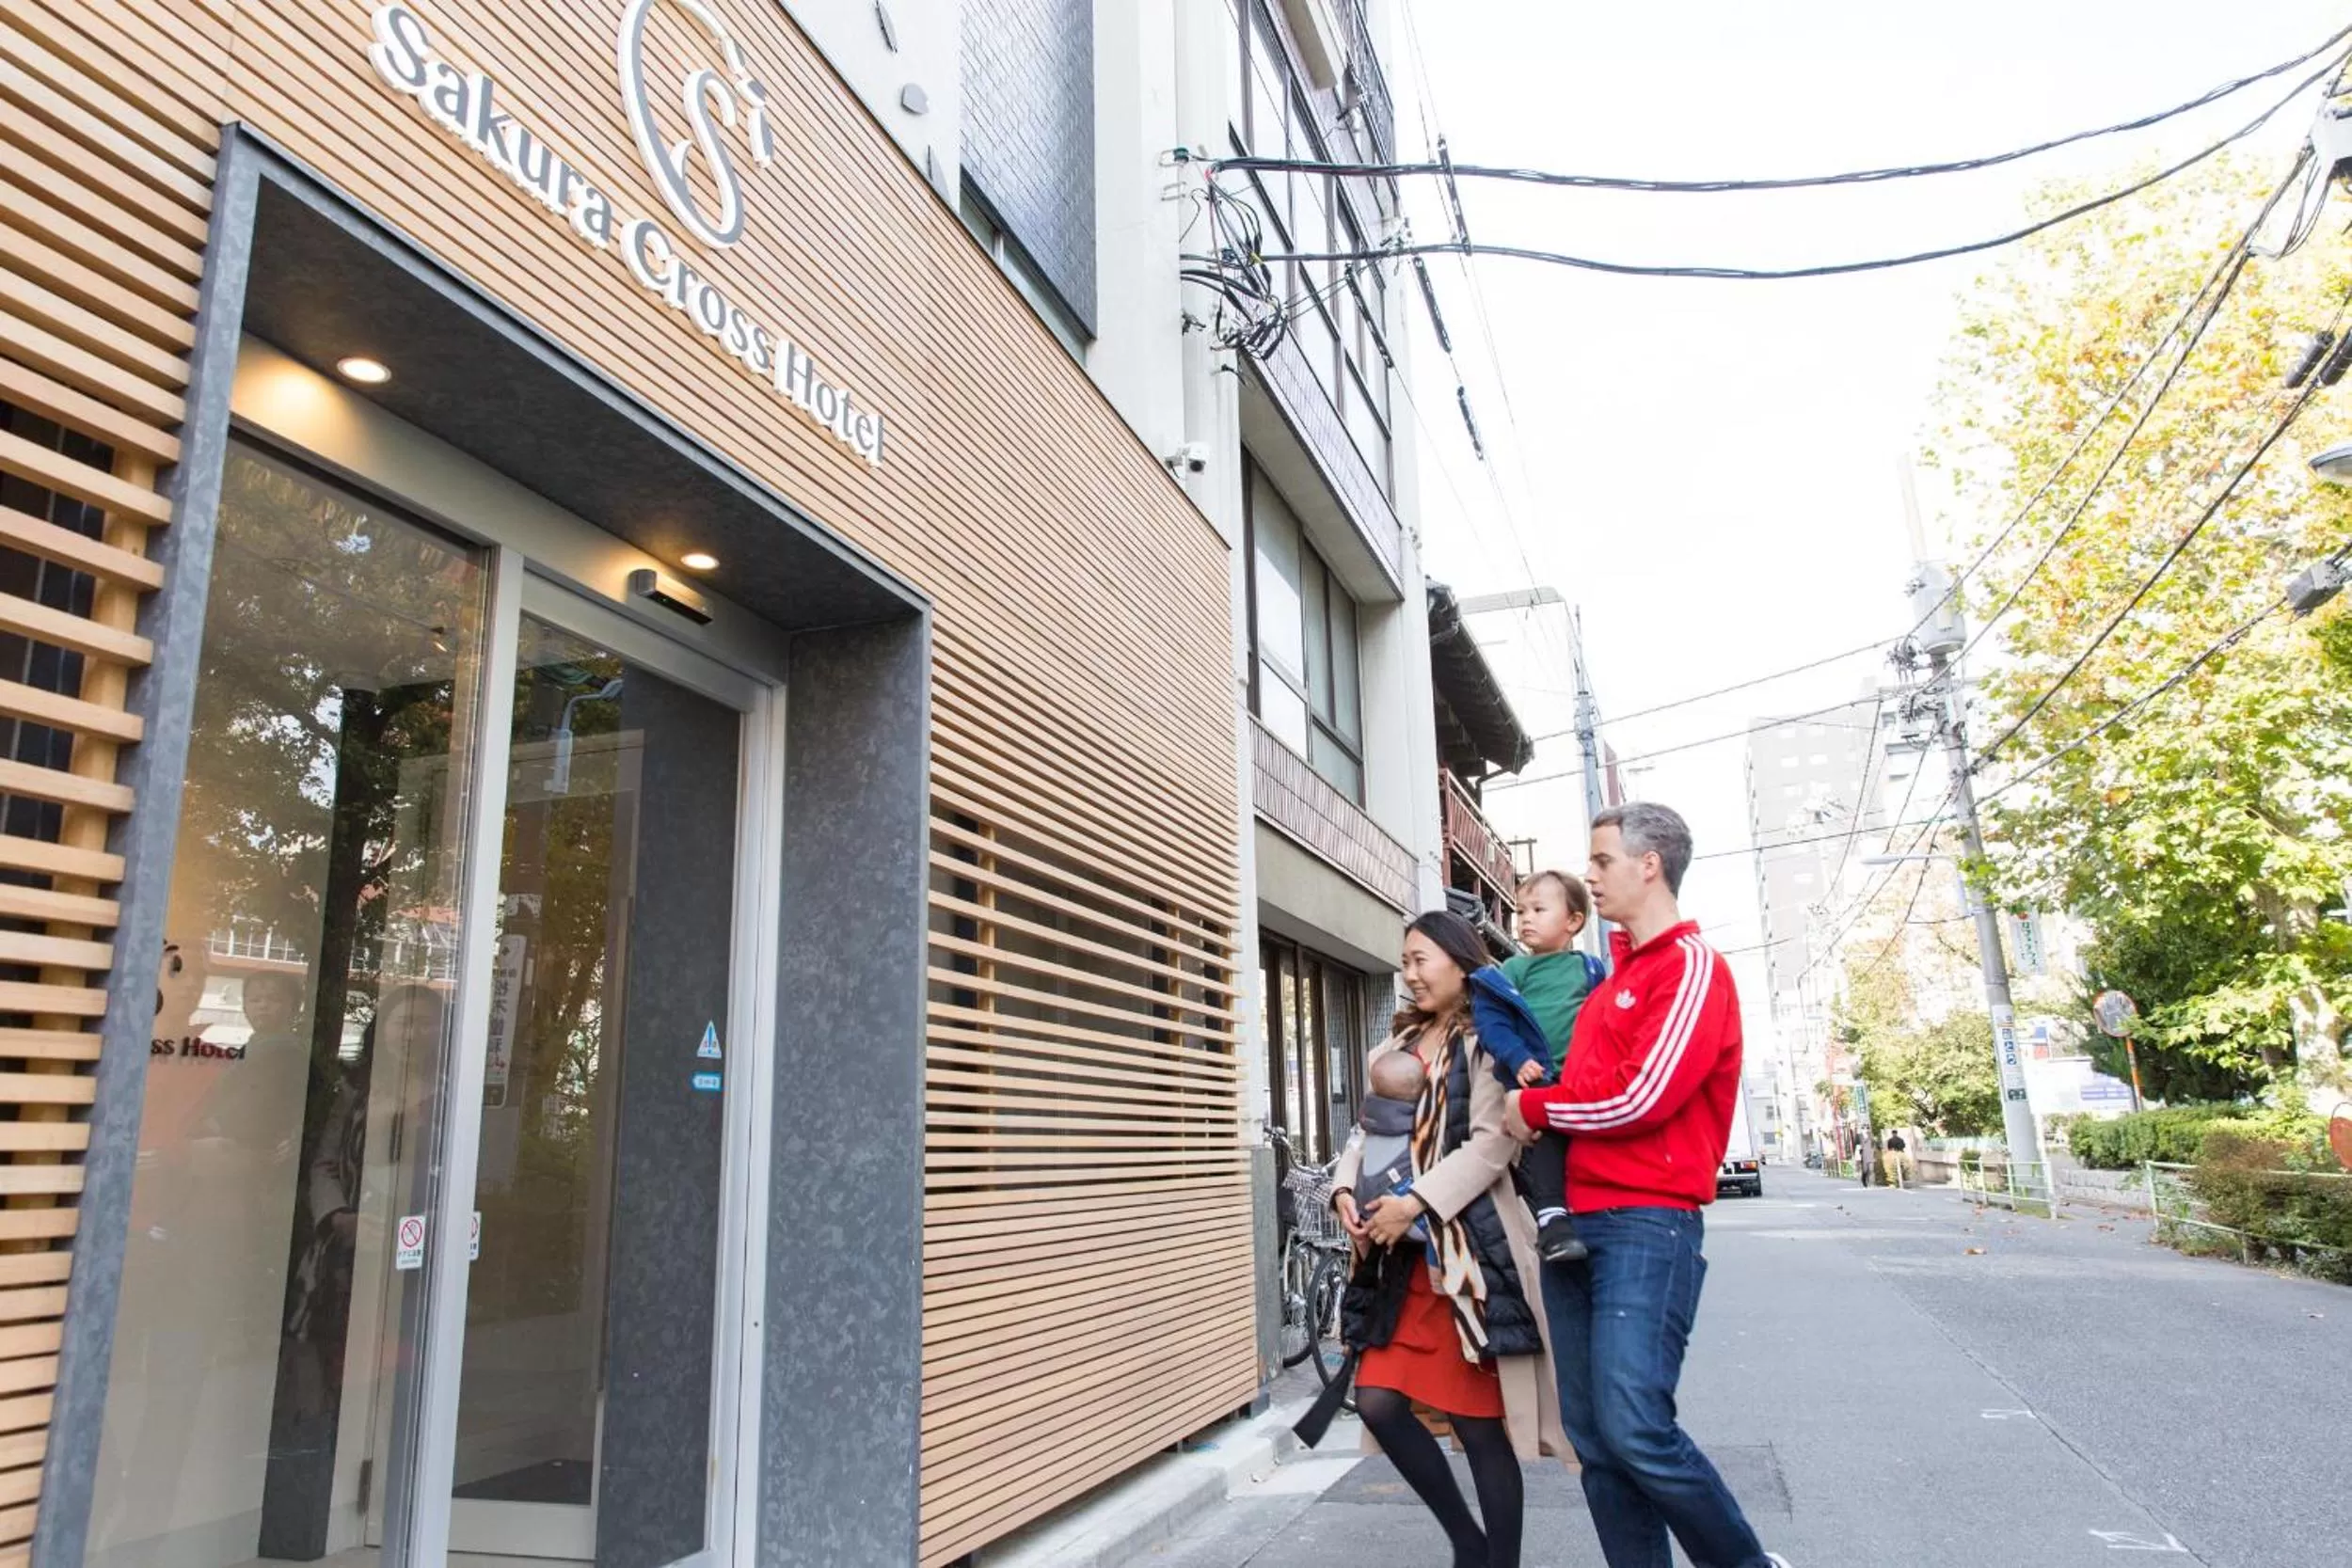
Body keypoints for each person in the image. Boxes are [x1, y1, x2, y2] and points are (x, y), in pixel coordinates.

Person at [1505, 803, 1790, 1568]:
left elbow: (1640, 1097)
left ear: (1649, 863)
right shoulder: (1607, 987)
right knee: (1596, 1440)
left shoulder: (1693, 967)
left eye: (1600, 860)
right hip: (1573, 1227)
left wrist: (1532, 1104)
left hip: (1646, 1222)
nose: (1589, 875)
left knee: (1635, 1426)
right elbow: (1591, 1088)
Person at [1328, 910, 1569, 1568]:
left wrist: (1415, 1202)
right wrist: (1346, 1189)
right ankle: (1466, 1538)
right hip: (1398, 1263)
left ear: (1461, 963)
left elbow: (1494, 1144)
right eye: (1403, 961)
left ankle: (1498, 1560)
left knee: (1477, 1424)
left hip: (1465, 1255)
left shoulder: (1488, 1039)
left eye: (1420, 959)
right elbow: (1366, 1130)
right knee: (1376, 1398)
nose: (1409, 973)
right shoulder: (1396, 1042)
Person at [1501, 870, 1607, 1262]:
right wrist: (1515, 1060)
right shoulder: (1514, 969)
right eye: (1520, 911)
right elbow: (1497, 1022)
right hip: (1538, 1078)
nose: (1525, 918)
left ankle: (1581, 1212)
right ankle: (1551, 1217)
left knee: (1581, 1144)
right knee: (1545, 1139)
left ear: (1574, 921)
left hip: (1582, 1079)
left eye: (1538, 909)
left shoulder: (1590, 968)